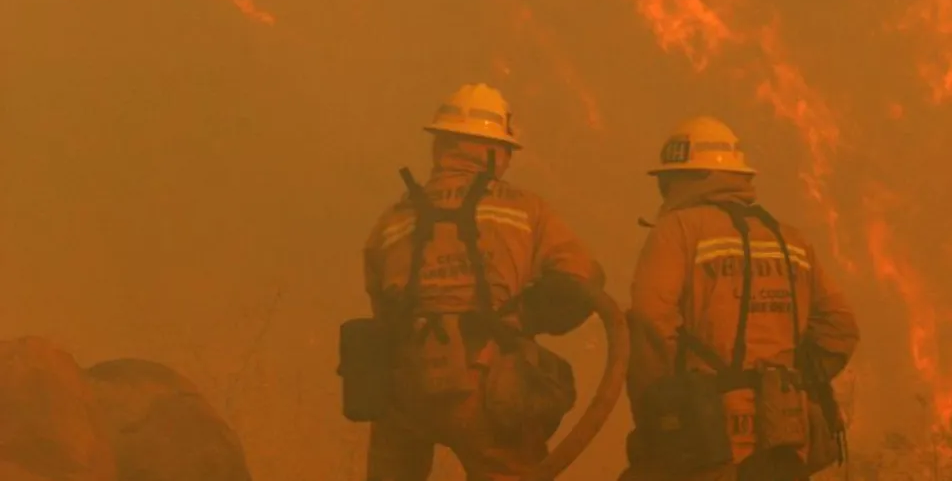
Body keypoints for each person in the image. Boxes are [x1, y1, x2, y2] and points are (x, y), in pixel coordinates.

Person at [362, 83, 606, 481]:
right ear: (493, 151)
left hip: (405, 385)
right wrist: (527, 316)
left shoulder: (391, 220)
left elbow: (381, 305)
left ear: (441, 146)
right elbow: (583, 278)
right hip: (488, 384)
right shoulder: (524, 209)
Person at [621, 116, 860, 481]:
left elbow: (650, 322)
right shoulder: (789, 239)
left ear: (689, 177)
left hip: (705, 436)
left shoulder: (679, 230)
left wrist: (657, 407)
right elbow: (840, 329)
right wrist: (789, 380)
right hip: (786, 434)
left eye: (668, 180)